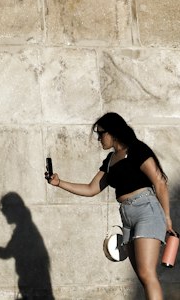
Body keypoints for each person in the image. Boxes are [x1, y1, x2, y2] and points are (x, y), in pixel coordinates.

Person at [48, 111, 175, 300]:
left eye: (101, 133)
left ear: (114, 132)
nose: (99, 138)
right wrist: (60, 183)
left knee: (148, 275)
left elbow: (159, 181)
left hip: (146, 211)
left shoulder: (136, 149)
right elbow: (92, 188)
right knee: (142, 276)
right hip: (127, 217)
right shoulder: (110, 160)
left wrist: (166, 218)